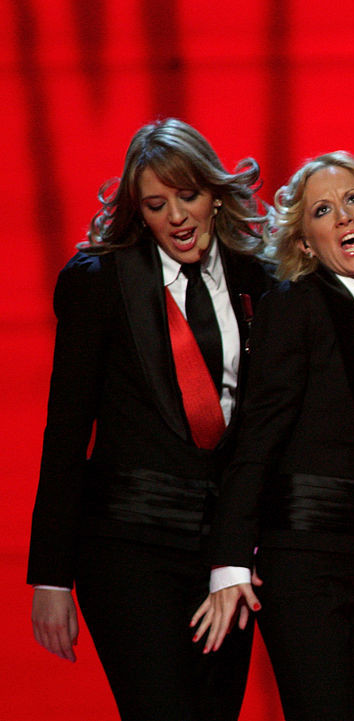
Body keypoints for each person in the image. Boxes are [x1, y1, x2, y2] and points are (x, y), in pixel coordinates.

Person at [189, 151, 354, 721]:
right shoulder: (295, 306)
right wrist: (229, 562)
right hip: (305, 565)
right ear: (306, 244)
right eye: (322, 210)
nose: (343, 216)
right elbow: (256, 438)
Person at [27, 118, 274, 720]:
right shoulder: (100, 283)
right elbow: (65, 432)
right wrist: (52, 578)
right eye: (157, 205)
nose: (177, 217)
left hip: (223, 553)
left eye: (188, 196)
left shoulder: (259, 280)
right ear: (139, 212)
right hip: (127, 548)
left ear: (215, 194)